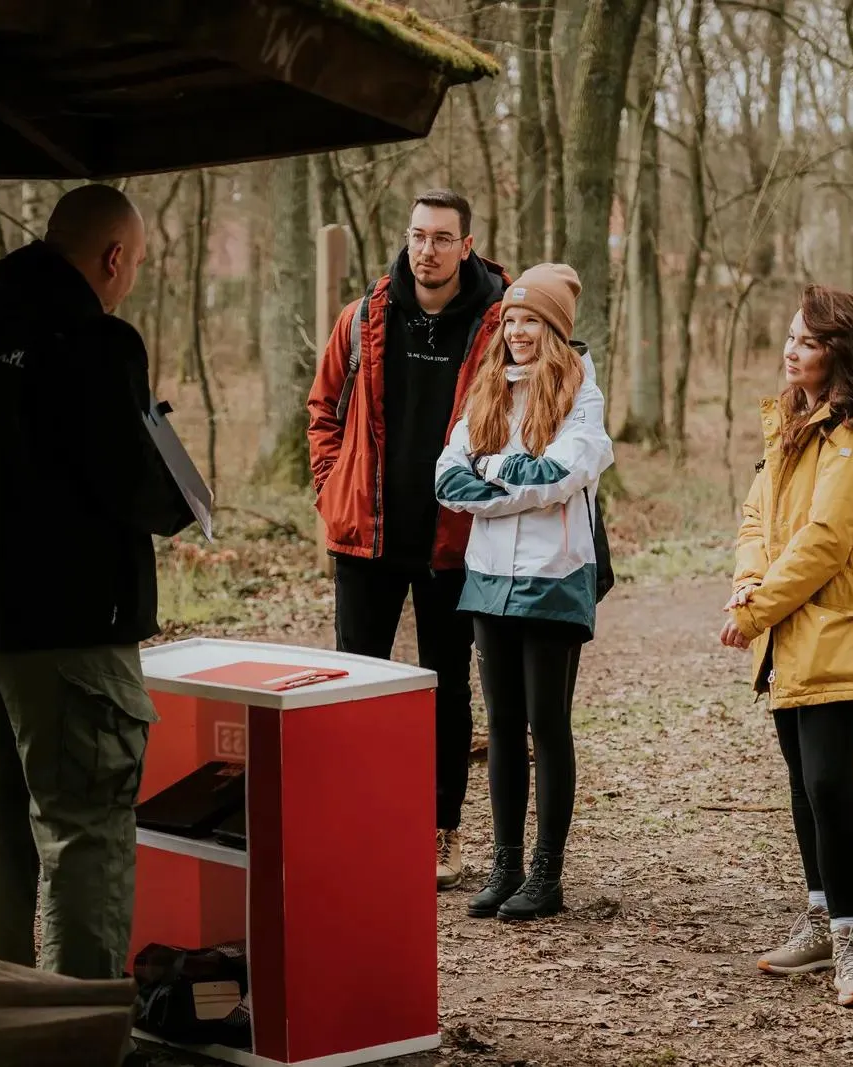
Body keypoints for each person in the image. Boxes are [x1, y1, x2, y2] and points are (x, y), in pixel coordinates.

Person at [0, 183, 196, 981]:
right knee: (84, 830)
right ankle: (78, 1029)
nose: (131, 279)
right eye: (134, 264)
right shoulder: (96, 343)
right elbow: (130, 481)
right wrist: (180, 495)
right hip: (68, 626)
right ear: (113, 257)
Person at [718, 284, 853, 1008]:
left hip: (839, 621)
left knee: (830, 780)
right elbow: (757, 516)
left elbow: (830, 539)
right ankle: (818, 919)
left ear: (839, 351)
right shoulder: (791, 421)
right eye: (790, 338)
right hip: (785, 625)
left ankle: (852, 942)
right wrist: (748, 582)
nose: (790, 350)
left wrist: (756, 607)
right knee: (804, 782)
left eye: (807, 341)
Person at [307, 189, 511, 890]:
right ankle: (359, 822)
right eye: (418, 235)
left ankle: (439, 830)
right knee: (355, 686)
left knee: (445, 690)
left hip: (453, 541)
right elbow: (323, 409)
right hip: (366, 537)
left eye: (442, 238)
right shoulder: (364, 316)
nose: (427, 249)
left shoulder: (498, 322)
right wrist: (331, 486)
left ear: (467, 245)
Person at [435, 264, 614, 920]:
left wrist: (491, 473)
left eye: (531, 320)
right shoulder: (487, 390)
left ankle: (546, 874)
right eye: (510, 319)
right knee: (503, 726)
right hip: (488, 578)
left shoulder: (581, 395)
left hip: (554, 576)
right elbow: (447, 480)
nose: (517, 331)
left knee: (547, 725)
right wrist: (511, 476)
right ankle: (505, 864)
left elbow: (557, 477)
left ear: (554, 329)